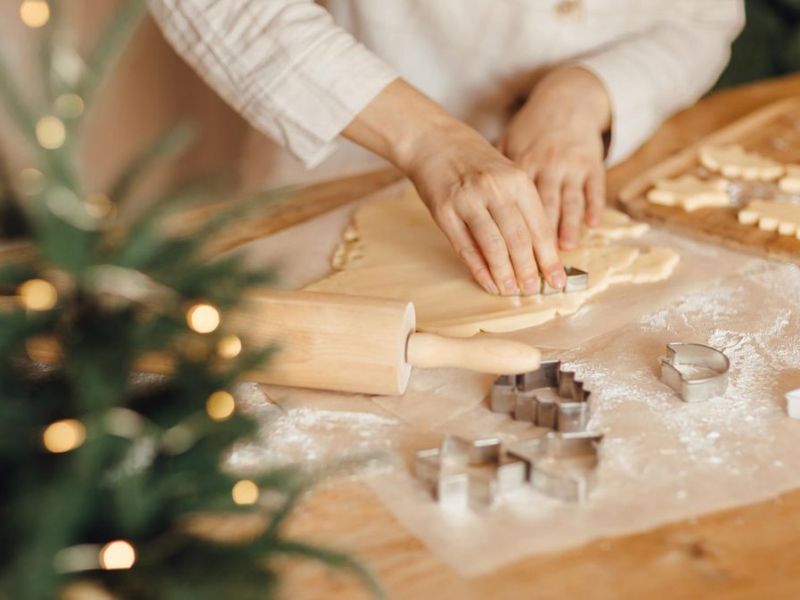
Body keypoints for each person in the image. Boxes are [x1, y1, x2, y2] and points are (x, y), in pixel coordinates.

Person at [149, 0, 744, 297]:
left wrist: (587, 92)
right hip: (346, 169)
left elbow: (706, 19)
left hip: (598, 165)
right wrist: (428, 138)